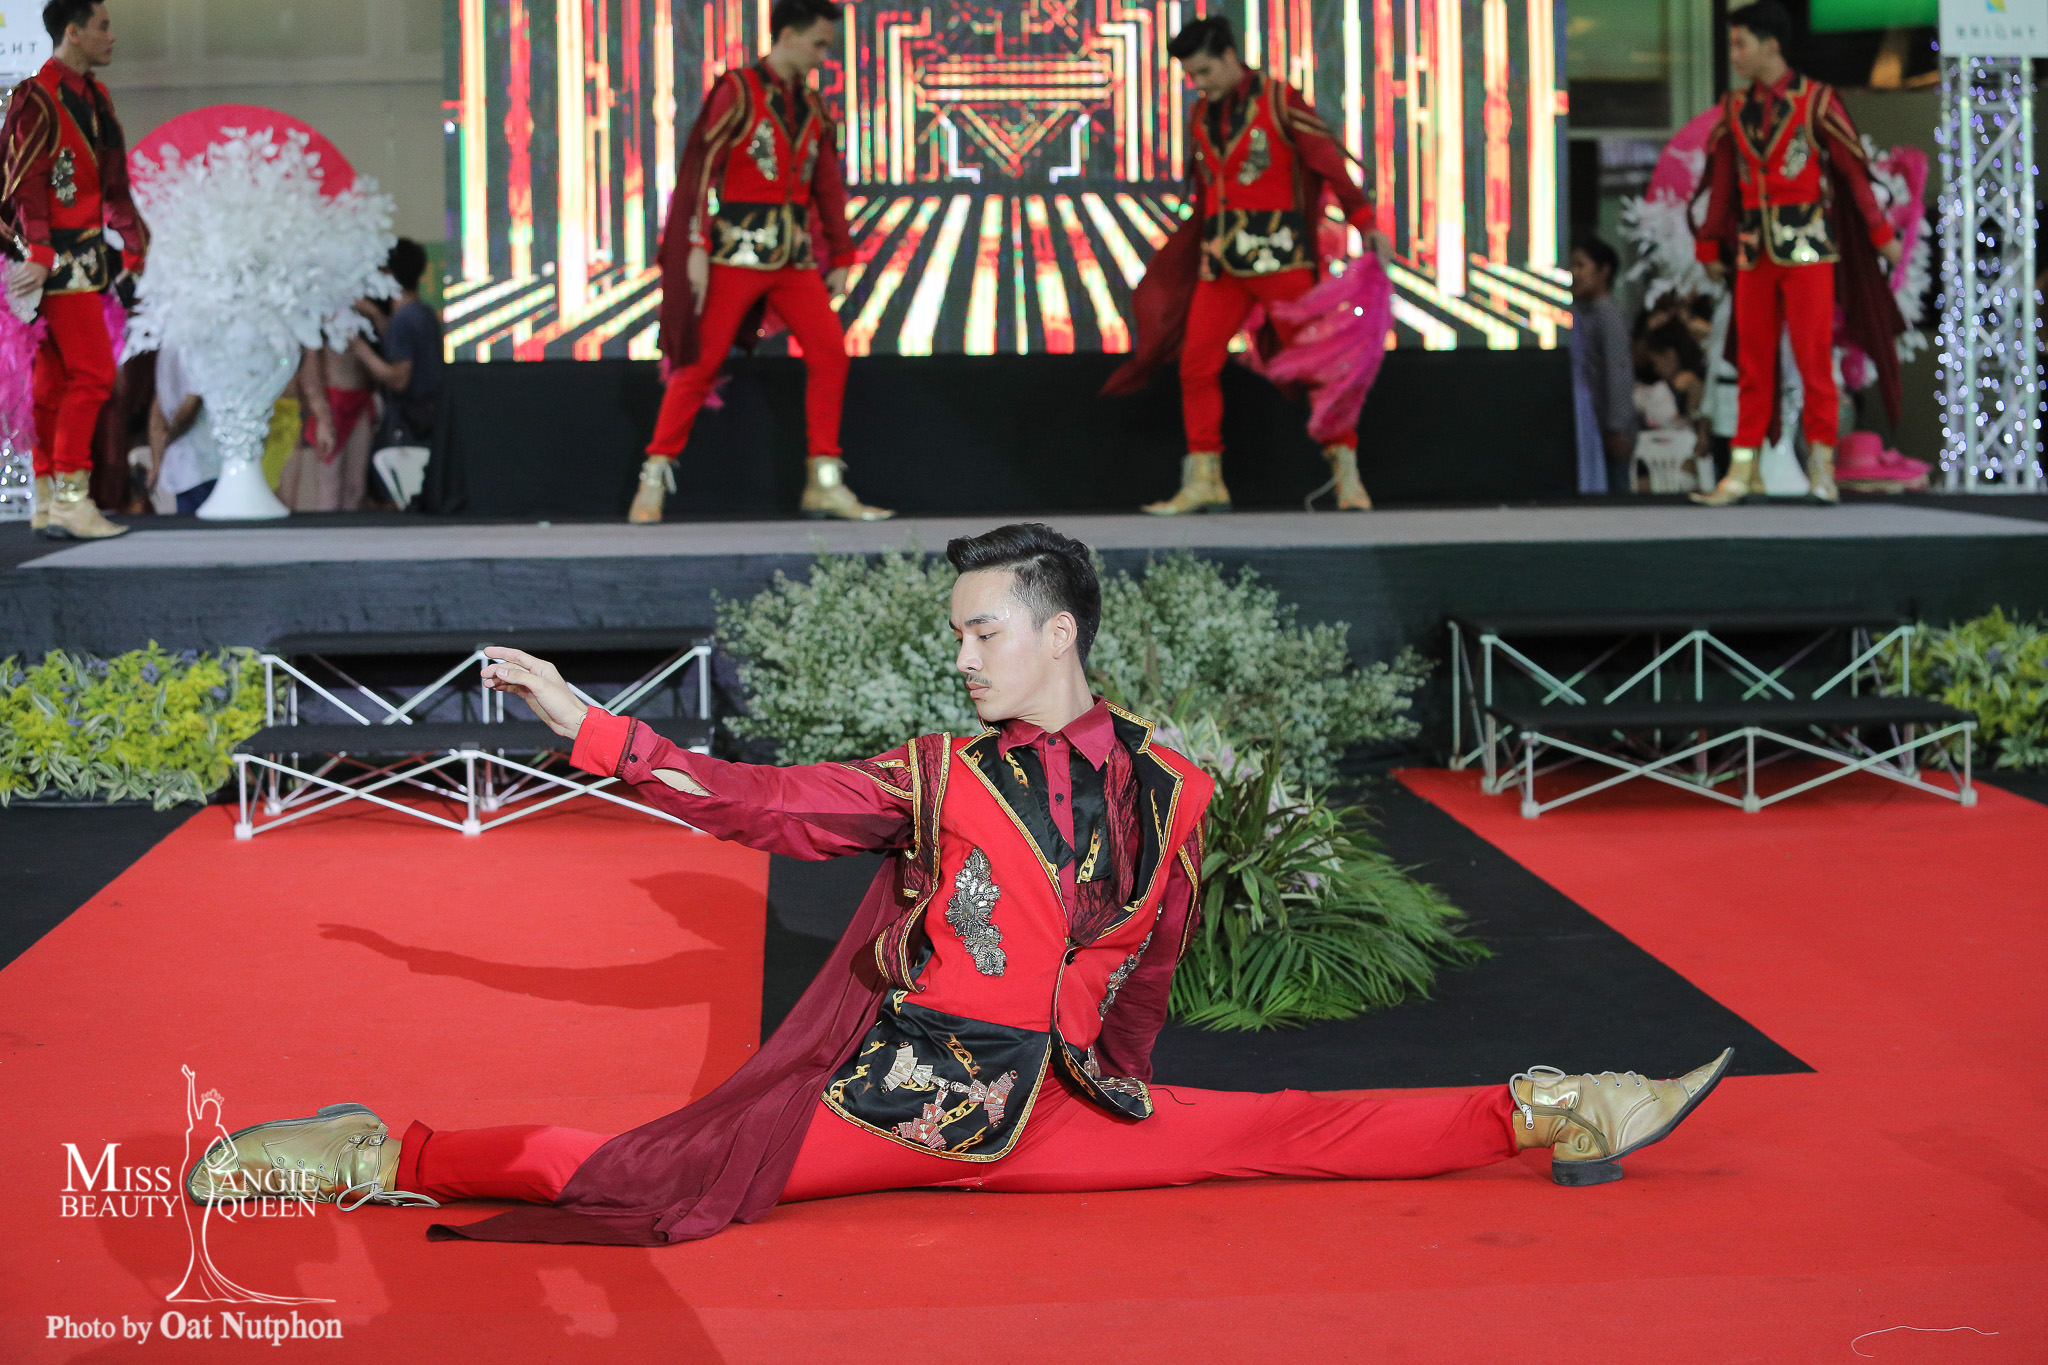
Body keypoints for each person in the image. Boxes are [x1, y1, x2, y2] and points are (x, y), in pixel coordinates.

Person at [187, 521, 1732, 1247]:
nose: (964, 653)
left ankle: (1559, 1108)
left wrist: (1122, 1083)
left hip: (1060, 1114)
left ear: (1060, 633)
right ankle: (377, 1144)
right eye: (957, 633)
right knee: (649, 1174)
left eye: (983, 629)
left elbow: (1151, 963)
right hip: (900, 1103)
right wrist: (591, 729)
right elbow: (754, 803)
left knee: (1278, 1130)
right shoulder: (931, 775)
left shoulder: (1180, 793)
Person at [1103, 16, 1391, 516]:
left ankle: (1347, 476)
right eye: (1192, 75)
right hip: (1223, 265)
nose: (1199, 83)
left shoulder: (1280, 100)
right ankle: (1205, 480)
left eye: (1205, 71)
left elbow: (1327, 162)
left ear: (1231, 56)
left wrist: (1364, 220)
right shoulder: (1202, 114)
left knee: (1319, 366)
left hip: (1283, 261)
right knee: (1196, 365)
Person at [634, 0, 887, 524]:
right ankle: (653, 478)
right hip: (736, 254)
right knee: (700, 364)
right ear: (788, 35)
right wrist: (696, 245)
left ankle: (824, 480)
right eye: (818, 44)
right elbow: (700, 169)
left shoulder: (812, 107)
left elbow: (827, 185)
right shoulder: (738, 90)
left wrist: (843, 252)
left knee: (830, 354)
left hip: (793, 260)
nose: (822, 56)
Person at [1690, 0, 1905, 507]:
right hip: (1753, 252)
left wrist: (1881, 236)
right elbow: (1722, 182)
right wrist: (1708, 242)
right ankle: (1742, 471)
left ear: (1771, 45)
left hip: (1809, 249)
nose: (1734, 55)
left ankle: (1822, 468)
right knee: (1752, 365)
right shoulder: (1732, 107)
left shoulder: (1817, 100)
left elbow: (1853, 174)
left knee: (1814, 361)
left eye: (1740, 44)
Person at [0, 0, 148, 539]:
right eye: (102, 26)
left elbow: (114, 184)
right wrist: (38, 253)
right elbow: (26, 182)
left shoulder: (95, 97)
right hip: (52, 258)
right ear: (73, 32)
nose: (112, 37)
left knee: (57, 380)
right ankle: (69, 497)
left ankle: (46, 498)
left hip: (83, 255)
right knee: (92, 373)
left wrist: (134, 244)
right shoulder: (36, 96)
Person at [349, 239, 441, 473]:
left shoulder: (403, 320)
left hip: (407, 427)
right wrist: (374, 314)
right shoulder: (424, 313)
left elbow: (399, 379)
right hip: (429, 420)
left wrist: (360, 349)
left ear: (388, 274)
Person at [278, 330, 377, 512]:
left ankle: (350, 530)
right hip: (331, 402)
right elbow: (309, 373)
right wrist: (322, 416)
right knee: (329, 489)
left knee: (356, 488)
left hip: (360, 398)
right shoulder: (318, 320)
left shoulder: (363, 317)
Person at [1568, 237, 1635, 495]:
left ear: (1603, 271)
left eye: (1581, 265)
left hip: (1609, 430)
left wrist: (1616, 427)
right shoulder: (1588, 313)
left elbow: (1618, 371)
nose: (1574, 273)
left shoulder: (1608, 315)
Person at [148, 341, 217, 513]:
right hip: (205, 462)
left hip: (182, 466)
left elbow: (157, 409)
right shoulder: (200, 346)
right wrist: (167, 439)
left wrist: (157, 459)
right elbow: (190, 408)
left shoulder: (167, 348)